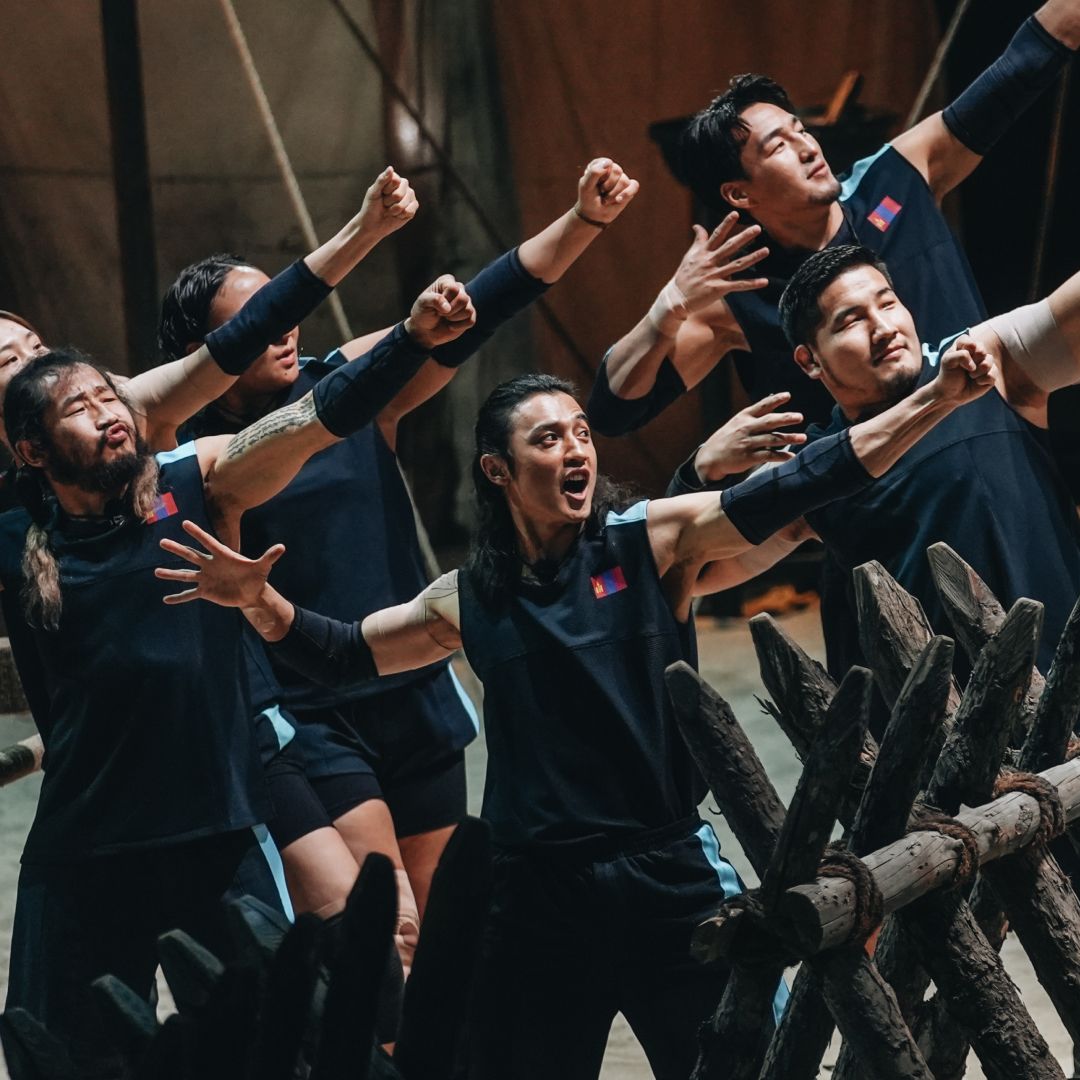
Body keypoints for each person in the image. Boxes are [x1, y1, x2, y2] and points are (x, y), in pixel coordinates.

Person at [154, 344, 994, 1079]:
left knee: (740, 1064)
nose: (575, 449)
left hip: (668, 875)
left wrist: (935, 399)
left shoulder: (649, 541)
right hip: (536, 897)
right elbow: (342, 655)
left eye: (582, 433)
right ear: (498, 470)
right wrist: (260, 603)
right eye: (548, 438)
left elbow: (805, 481)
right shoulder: (469, 597)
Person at [155, 159, 640, 966]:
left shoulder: (351, 382)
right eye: (260, 320)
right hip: (311, 704)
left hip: (410, 687)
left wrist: (583, 219)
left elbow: (479, 307)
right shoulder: (186, 456)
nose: (286, 329)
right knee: (390, 936)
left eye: (288, 310)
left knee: (450, 935)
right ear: (205, 348)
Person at [0, 266, 475, 1070]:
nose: (107, 414)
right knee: (61, 1057)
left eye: (109, 398)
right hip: (85, 847)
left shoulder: (195, 482)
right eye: (79, 409)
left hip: (216, 832)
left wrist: (411, 341)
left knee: (284, 1041)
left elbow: (314, 422)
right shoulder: (14, 534)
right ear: (32, 450)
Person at [588, 1, 1080, 472]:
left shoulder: (891, 181)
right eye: (778, 146)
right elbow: (614, 412)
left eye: (801, 130)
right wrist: (669, 305)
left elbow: (1018, 70)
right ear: (738, 193)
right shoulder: (740, 293)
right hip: (879, 500)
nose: (808, 147)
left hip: (997, 450)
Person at [694, 243, 1080, 681]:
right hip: (943, 714)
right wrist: (700, 470)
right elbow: (697, 568)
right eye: (851, 320)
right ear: (810, 360)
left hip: (1065, 684)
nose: (883, 328)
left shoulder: (983, 365)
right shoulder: (815, 467)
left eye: (888, 303)